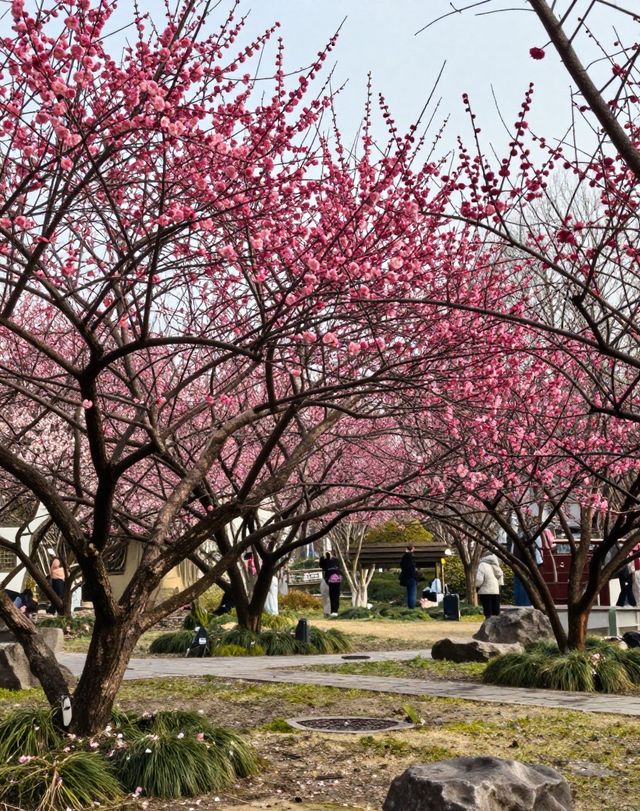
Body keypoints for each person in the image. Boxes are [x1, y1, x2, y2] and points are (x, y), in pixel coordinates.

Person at [476, 552, 505, 618]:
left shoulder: (482, 564)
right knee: (496, 612)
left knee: (487, 611)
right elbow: (500, 577)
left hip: (485, 591)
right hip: (495, 591)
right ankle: (495, 626)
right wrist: (499, 587)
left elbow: (479, 579)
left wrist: (477, 586)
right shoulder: (496, 565)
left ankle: (488, 626)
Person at [319, 552, 331, 617]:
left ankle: (327, 612)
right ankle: (327, 612)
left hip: (328, 581)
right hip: (326, 581)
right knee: (326, 598)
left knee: (327, 598)